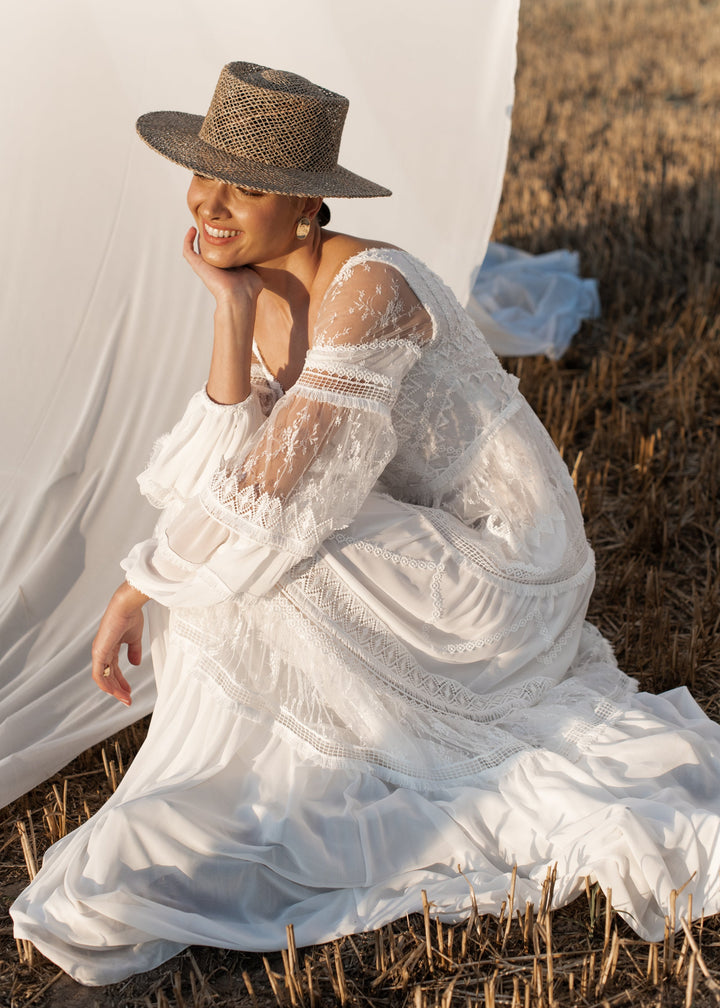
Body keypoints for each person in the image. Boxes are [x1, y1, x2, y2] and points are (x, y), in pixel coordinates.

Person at [11, 61, 720, 987]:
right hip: (412, 531)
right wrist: (229, 313)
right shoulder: (258, 280)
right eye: (206, 174)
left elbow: (274, 494)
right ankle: (297, 763)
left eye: (247, 187)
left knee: (267, 559)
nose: (211, 204)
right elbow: (232, 453)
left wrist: (139, 583)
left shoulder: (371, 288)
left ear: (307, 206)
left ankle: (337, 764)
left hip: (506, 562)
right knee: (240, 558)